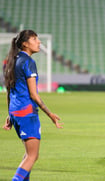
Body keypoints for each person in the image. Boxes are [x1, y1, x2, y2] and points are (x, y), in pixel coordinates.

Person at [2, 30, 63, 181]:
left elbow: (9, 90)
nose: (39, 42)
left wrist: (10, 114)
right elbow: (34, 94)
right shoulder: (29, 62)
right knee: (32, 156)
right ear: (25, 44)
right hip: (27, 113)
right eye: (35, 39)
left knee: (29, 154)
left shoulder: (13, 61)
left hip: (16, 112)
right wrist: (50, 115)